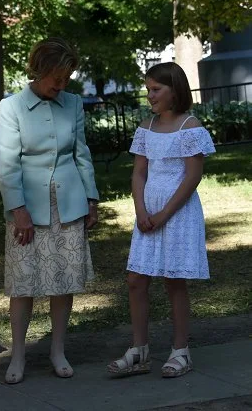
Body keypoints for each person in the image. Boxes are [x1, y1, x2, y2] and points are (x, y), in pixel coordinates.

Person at [0, 37, 99, 384]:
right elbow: (7, 165)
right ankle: (19, 355)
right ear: (38, 70)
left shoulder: (72, 103)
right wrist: (18, 209)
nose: (61, 83)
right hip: (28, 209)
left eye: (67, 77)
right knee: (23, 284)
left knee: (64, 281)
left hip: (68, 205)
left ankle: (57, 350)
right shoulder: (10, 108)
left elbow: (80, 154)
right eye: (56, 76)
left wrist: (91, 198)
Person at [107, 62, 215, 378]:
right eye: (148, 89)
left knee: (173, 280)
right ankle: (139, 350)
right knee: (136, 278)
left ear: (175, 90)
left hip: (177, 213)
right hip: (148, 213)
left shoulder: (190, 127)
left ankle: (181, 350)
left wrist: (164, 214)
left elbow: (192, 178)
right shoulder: (147, 126)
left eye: (156, 89)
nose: (150, 95)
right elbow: (139, 173)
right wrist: (141, 211)